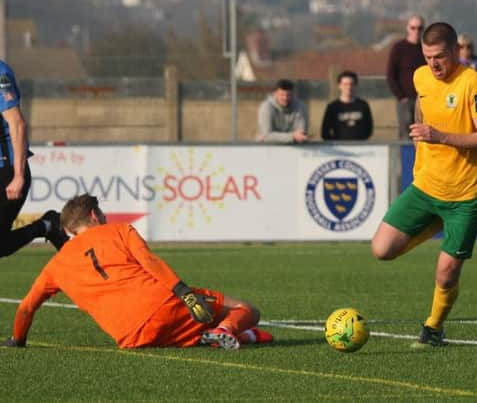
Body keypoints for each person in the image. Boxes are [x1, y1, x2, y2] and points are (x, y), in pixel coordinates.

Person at [3, 193, 273, 350]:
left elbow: (26, 308)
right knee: (247, 310)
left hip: (133, 337)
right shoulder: (119, 230)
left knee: (198, 331)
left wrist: (18, 339)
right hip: (166, 308)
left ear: (69, 231)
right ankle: (226, 329)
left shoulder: (55, 266)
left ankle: (231, 335)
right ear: (95, 216)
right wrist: (186, 295)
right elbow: (150, 262)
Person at [371, 22, 477, 348]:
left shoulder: (476, 84)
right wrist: (421, 134)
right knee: (381, 250)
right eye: (428, 57)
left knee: (446, 273)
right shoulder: (420, 76)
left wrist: (439, 136)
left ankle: (433, 328)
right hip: (427, 185)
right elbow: (421, 104)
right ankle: (435, 225)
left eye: (440, 56)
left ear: (455, 50)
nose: (434, 64)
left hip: (466, 193)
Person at [0, 59, 68, 257]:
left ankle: (46, 226)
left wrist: (18, 175)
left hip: (7, 170)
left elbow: (17, 124)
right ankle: (47, 226)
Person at [386, 15, 426, 140]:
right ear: (407, 28)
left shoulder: (426, 49)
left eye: (419, 28)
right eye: (413, 28)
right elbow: (390, 74)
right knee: (406, 134)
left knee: (425, 133)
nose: (416, 31)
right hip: (406, 100)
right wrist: (401, 96)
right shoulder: (399, 48)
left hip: (425, 99)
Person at [321, 70, 373, 141]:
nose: (349, 87)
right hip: (339, 148)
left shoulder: (363, 105)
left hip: (360, 147)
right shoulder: (332, 107)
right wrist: (335, 144)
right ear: (339, 86)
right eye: (345, 84)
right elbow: (324, 132)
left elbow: (369, 129)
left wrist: (360, 142)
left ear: (356, 85)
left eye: (352, 84)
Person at [256, 79, 309, 143]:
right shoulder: (266, 107)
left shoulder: (300, 107)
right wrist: (292, 136)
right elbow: (266, 136)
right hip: (267, 148)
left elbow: (300, 133)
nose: (285, 98)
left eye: (288, 95)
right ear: (275, 94)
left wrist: (295, 136)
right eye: (282, 95)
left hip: (293, 147)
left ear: (293, 94)